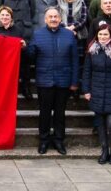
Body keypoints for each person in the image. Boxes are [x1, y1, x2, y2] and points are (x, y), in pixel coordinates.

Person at [29, 8, 78, 155]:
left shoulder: (69, 35)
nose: (53, 19)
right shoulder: (37, 35)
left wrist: (74, 82)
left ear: (60, 19)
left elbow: (75, 60)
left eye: (56, 16)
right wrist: (27, 48)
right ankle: (43, 140)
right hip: (45, 81)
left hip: (63, 81)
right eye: (50, 17)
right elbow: (31, 56)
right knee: (44, 113)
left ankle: (58, 140)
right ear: (45, 19)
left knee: (60, 113)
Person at [82, 24, 111, 165]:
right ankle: (104, 150)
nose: (103, 37)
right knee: (100, 124)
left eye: (105, 35)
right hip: (96, 90)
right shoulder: (92, 50)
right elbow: (87, 72)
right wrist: (86, 90)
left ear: (110, 36)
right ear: (97, 35)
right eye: (100, 35)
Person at [0, 6, 30, 98]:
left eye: (7, 15)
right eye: (2, 15)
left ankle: (25, 88)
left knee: (25, 62)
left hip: (13, 61)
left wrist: (23, 45)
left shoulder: (18, 30)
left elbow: (23, 44)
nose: (5, 17)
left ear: (11, 17)